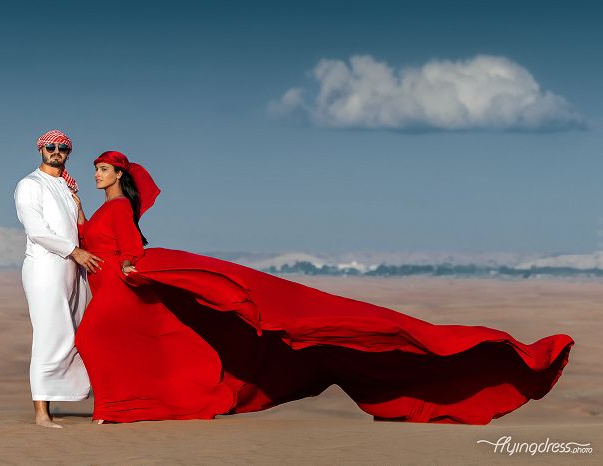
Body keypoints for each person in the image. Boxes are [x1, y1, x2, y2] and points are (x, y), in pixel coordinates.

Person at [74, 150, 573, 425]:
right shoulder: (102, 209)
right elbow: (84, 237)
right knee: (140, 347)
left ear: (118, 174)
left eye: (101, 169)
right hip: (111, 287)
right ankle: (126, 408)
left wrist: (133, 270)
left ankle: (117, 410)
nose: (95, 174)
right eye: (94, 169)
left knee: (97, 337)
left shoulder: (119, 209)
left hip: (120, 289)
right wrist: (71, 209)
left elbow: (131, 248)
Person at [13, 129, 103, 428]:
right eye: (50, 147)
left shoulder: (67, 188)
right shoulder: (30, 185)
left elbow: (81, 228)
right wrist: (74, 252)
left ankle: (81, 398)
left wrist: (78, 208)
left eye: (62, 148)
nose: (56, 152)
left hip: (72, 269)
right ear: (40, 150)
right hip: (45, 268)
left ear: (68, 153)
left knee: (72, 334)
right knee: (49, 336)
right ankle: (41, 414)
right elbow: (37, 231)